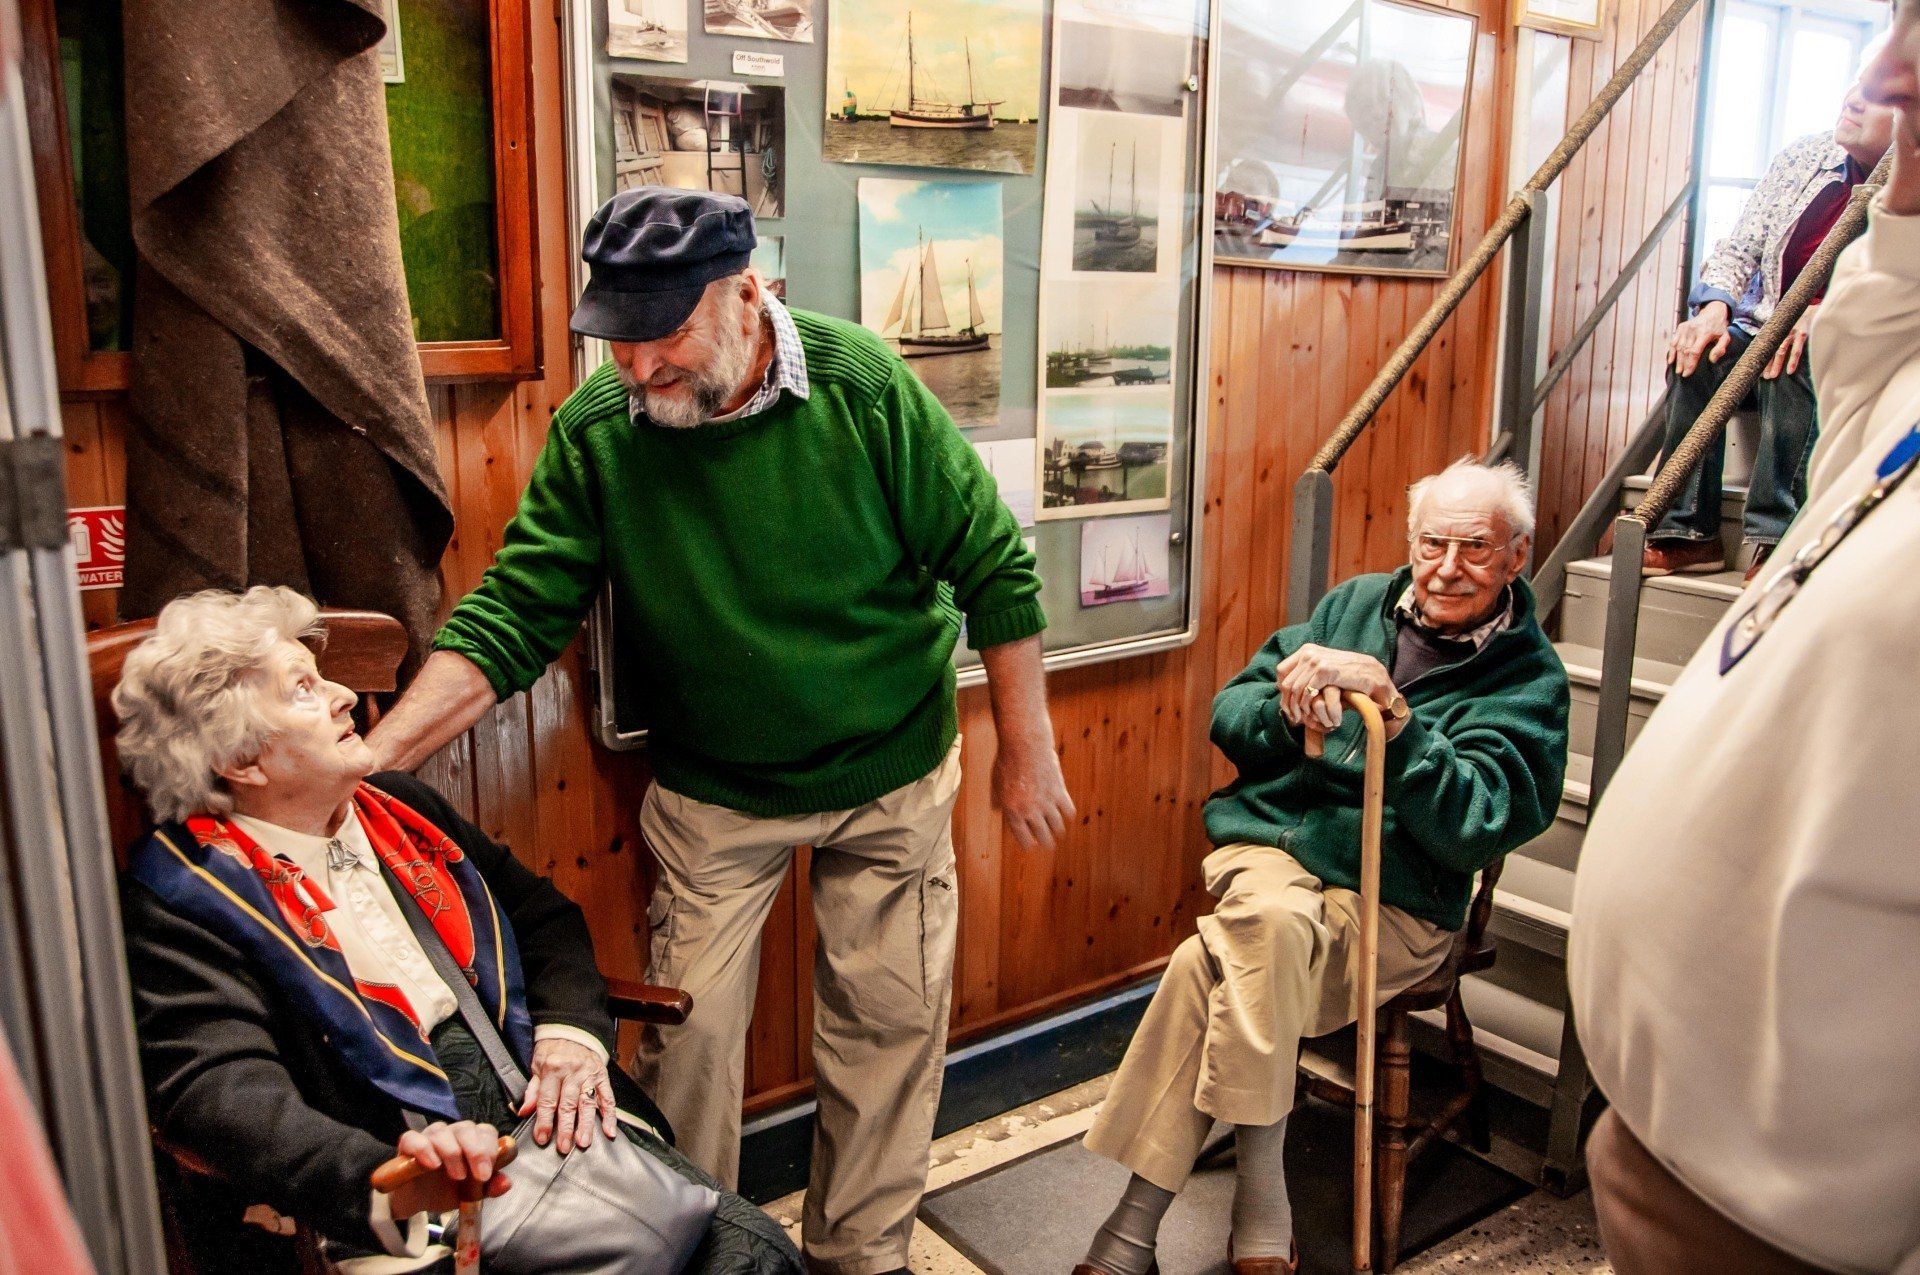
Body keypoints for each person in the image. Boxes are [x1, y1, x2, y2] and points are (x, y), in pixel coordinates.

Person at [363, 187, 1073, 1275]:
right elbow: (514, 611)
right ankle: (700, 1249)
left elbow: (995, 566)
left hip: (891, 761)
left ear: (749, 291)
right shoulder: (603, 432)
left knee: (885, 1031)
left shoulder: (864, 386)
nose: (642, 372)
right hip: (717, 788)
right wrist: (375, 762)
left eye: (666, 339)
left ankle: (860, 1257)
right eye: (620, 346)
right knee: (687, 1047)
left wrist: (1029, 752)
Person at [115, 588, 802, 1274]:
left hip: (548, 1122)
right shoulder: (184, 894)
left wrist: (571, 1035)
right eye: (303, 687)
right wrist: (394, 1170)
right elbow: (220, 1091)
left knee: (758, 1252)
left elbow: (545, 918)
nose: (345, 695)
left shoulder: (399, 807)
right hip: (402, 1189)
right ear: (242, 760)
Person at [1570, 8, 1920, 1272]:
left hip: (1785, 1228)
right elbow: (1873, 350)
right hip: (1659, 1156)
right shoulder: (1903, 390)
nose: (1878, 74)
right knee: (1755, 350)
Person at [1075, 460, 1569, 1275]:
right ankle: (1262, 1207)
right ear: (1411, 542)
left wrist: (1396, 719)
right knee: (1268, 920)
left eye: (1475, 547)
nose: (1447, 565)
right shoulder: (1351, 607)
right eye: (1432, 542)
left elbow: (1472, 825)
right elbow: (1230, 713)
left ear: (1517, 555)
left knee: (1217, 961)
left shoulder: (1530, 682)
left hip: (1396, 903)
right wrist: (1289, 714)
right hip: (1271, 855)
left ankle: (1131, 1232)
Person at [1643, 78, 1894, 581]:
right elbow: (1740, 247)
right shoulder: (1805, 156)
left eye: (1878, 95)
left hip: (1861, 340)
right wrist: (1714, 307)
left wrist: (1832, 312)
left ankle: (1777, 539)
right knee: (1697, 354)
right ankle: (1689, 532)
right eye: (1855, 86)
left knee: (1794, 357)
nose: (1853, 98)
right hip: (1768, 324)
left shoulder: (1907, 182)